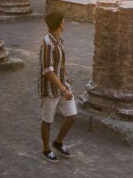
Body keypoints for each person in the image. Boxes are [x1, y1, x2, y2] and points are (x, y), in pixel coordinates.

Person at [39, 11, 76, 163]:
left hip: (62, 86)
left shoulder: (59, 41)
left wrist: (66, 77)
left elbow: (59, 65)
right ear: (60, 23)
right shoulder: (47, 43)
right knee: (47, 120)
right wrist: (63, 89)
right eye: (64, 21)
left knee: (72, 116)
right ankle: (46, 150)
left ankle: (58, 142)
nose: (65, 23)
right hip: (50, 90)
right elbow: (48, 71)